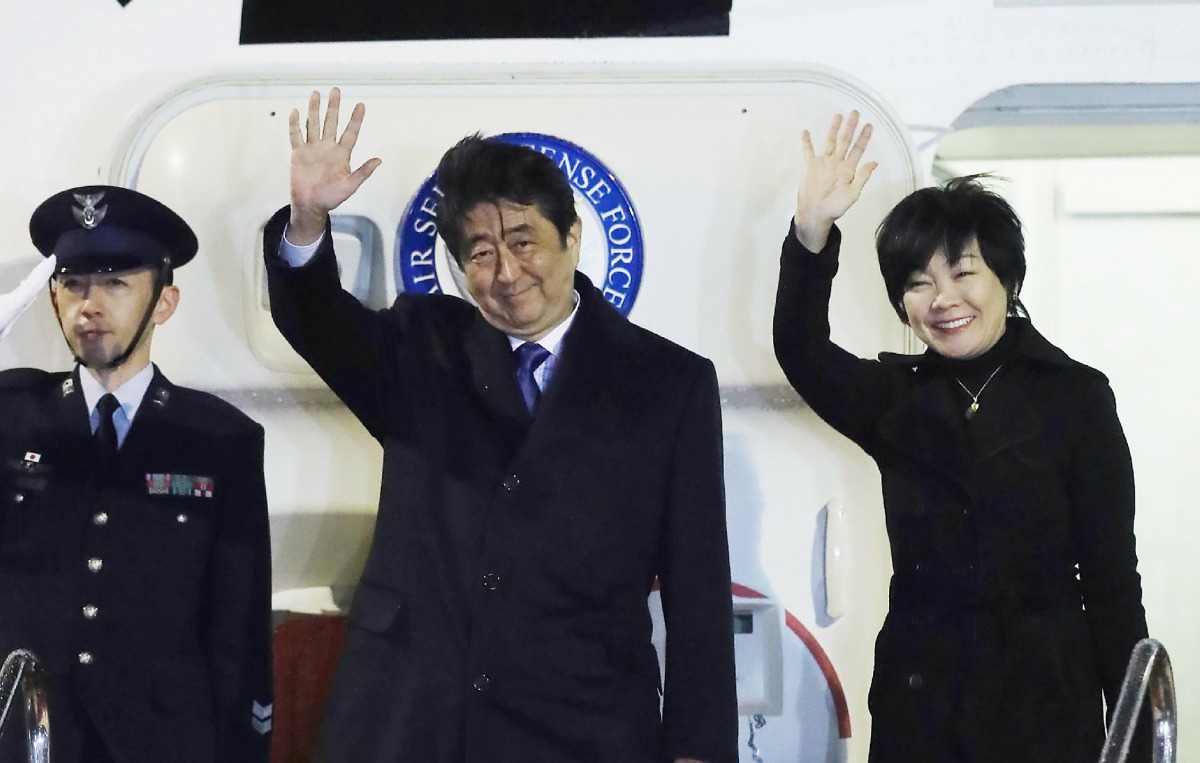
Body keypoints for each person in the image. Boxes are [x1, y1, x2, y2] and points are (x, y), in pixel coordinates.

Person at [263, 88, 737, 763]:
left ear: (572, 236)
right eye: (481, 254)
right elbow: (316, 320)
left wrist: (698, 749)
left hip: (580, 728)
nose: (507, 273)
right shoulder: (422, 344)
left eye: (524, 242)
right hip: (409, 722)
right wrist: (308, 219)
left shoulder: (670, 383)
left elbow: (697, 592)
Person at [772, 113, 1149, 762]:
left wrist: (1136, 740)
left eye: (962, 274)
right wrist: (812, 230)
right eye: (917, 283)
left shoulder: (1077, 398)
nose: (941, 299)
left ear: (1008, 278)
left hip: (1046, 714)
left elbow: (1113, 585)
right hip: (921, 713)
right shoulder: (896, 400)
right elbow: (800, 351)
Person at [0, 186, 274, 763]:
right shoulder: (13, 414)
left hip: (160, 741)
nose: (88, 305)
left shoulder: (221, 439)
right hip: (27, 735)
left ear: (165, 303)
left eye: (116, 284)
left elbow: (237, 626)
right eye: (73, 284)